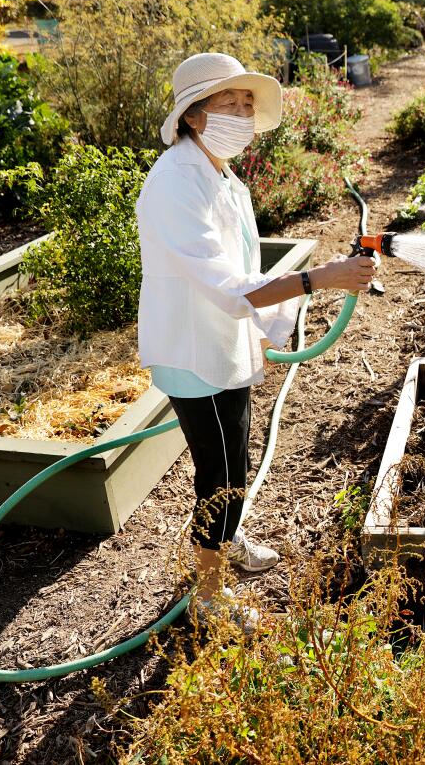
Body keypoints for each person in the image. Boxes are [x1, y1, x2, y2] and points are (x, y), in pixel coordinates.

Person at [136, 53, 374, 621]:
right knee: (217, 474)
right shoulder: (174, 183)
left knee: (236, 455)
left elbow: (243, 268)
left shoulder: (222, 176)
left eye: (247, 103)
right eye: (228, 103)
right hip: (194, 351)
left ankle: (226, 539)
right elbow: (227, 285)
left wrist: (267, 328)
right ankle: (208, 593)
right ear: (194, 116)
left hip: (223, 343)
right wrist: (320, 278)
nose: (242, 112)